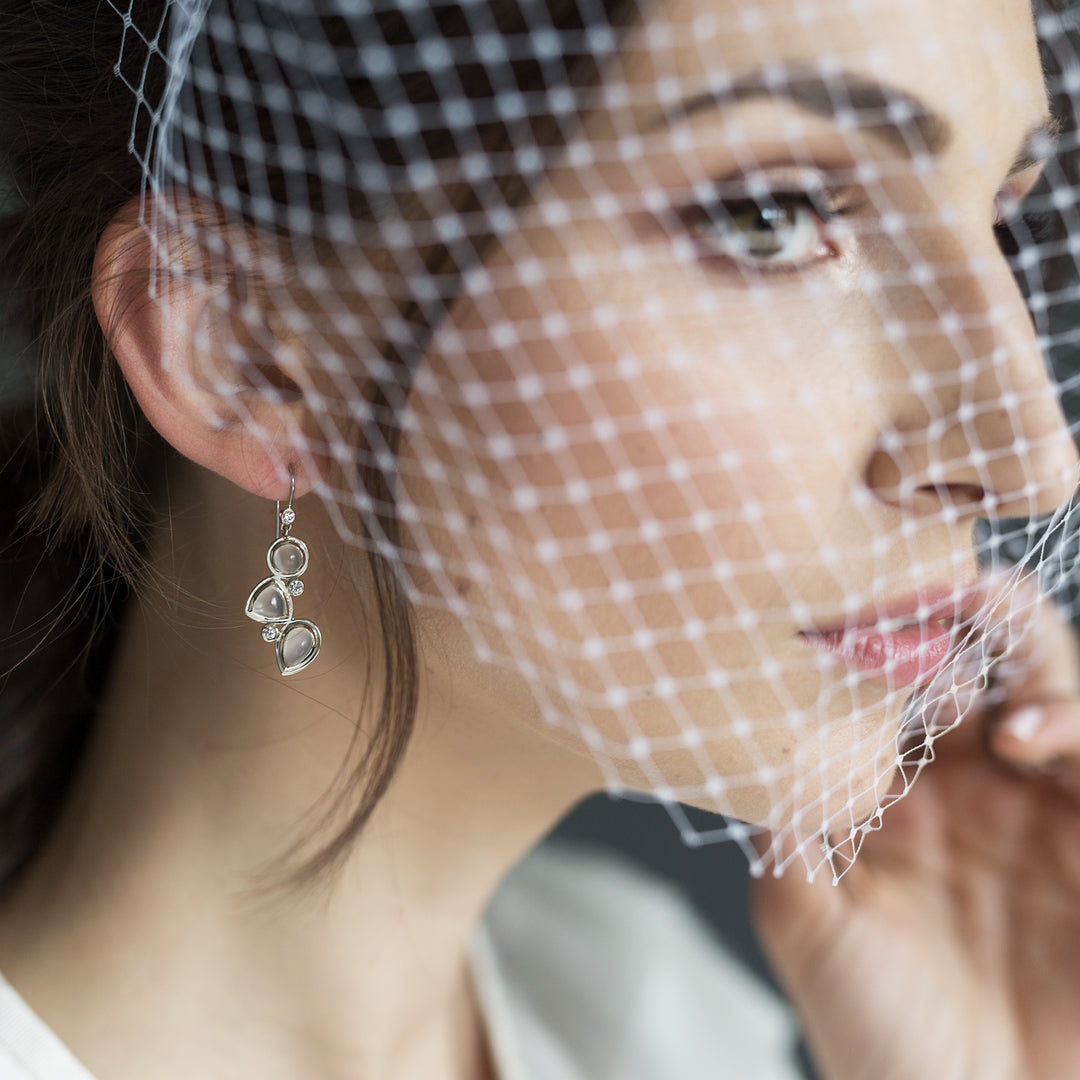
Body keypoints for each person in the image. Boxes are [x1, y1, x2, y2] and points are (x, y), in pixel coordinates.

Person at [1, 0, 1079, 1076]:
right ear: (245, 352)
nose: (1030, 454)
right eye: (775, 217)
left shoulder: (657, 1009)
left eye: (1001, 220)